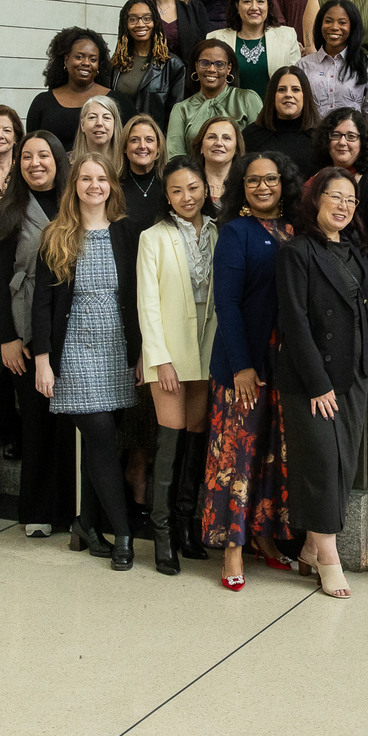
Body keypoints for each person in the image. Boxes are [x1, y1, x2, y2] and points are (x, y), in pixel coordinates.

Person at [33, 155, 144, 570]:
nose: (94, 185)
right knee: (99, 433)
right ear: (74, 185)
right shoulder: (57, 234)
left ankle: (86, 524)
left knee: (101, 442)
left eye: (101, 178)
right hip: (74, 349)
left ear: (112, 185)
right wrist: (43, 360)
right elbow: (42, 304)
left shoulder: (128, 232)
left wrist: (143, 353)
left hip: (117, 347)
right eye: (85, 178)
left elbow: (139, 298)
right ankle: (124, 534)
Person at [276, 167, 368, 599]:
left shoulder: (353, 250)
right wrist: (318, 383)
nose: (343, 206)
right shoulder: (297, 251)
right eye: (335, 196)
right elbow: (294, 322)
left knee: (343, 466)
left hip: (354, 373)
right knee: (321, 463)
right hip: (311, 379)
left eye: (351, 200)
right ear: (315, 199)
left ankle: (308, 548)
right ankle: (329, 557)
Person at [206, 150, 300, 589]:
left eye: (271, 179)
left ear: (284, 183)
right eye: (253, 180)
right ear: (241, 188)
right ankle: (232, 549)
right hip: (243, 364)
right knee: (237, 458)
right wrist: (242, 366)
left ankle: (263, 538)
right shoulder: (235, 232)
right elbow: (226, 304)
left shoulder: (298, 230)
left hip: (286, 365)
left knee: (272, 455)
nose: (263, 187)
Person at [0, 130, 74, 538]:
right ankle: (36, 510)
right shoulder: (10, 210)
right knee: (37, 422)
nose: (35, 163)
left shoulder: (77, 202)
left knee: (69, 424)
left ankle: (69, 510)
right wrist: (6, 338)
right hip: (24, 329)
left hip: (74, 324)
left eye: (43, 156)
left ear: (58, 160)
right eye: (26, 157)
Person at [137, 157, 220, 576]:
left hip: (208, 346)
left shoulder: (220, 232)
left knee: (195, 437)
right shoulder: (152, 237)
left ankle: (187, 524)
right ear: (166, 196)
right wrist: (160, 358)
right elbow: (147, 304)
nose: (187, 197)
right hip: (169, 349)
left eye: (193, 187)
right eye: (176, 190)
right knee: (169, 441)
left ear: (205, 188)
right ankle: (163, 534)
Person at [314, 107, 368, 242]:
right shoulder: (315, 177)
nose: (342, 142)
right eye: (336, 135)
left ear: (363, 143)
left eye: (351, 136)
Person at [166, 37, 261, 160]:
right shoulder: (181, 109)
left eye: (219, 64)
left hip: (240, 171)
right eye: (205, 63)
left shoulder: (248, 100)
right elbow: (174, 157)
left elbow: (261, 147)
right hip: (192, 172)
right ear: (196, 66)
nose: (211, 69)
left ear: (229, 68)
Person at [209, 0, 301, 100]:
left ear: (268, 5)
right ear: (237, 6)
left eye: (260, 1)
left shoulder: (287, 36)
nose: (254, 7)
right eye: (247, 1)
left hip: (273, 110)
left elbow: (296, 82)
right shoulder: (216, 38)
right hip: (228, 110)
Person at [299, 0, 368, 126]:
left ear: (352, 27)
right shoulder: (303, 65)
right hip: (312, 137)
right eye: (328, 21)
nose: (334, 27)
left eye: (342, 22)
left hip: (352, 137)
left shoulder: (367, 65)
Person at [109, 0, 188, 130]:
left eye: (147, 18)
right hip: (119, 137)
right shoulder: (116, 64)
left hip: (153, 138)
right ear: (125, 24)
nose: (140, 24)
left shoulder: (173, 65)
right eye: (133, 19)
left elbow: (175, 117)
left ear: (155, 22)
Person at [27, 27, 111, 149]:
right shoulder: (42, 102)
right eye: (79, 57)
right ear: (66, 60)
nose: (86, 63)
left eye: (93, 59)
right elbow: (30, 144)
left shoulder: (115, 100)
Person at [243, 65, 319, 170]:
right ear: (272, 95)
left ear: (305, 95)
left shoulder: (320, 137)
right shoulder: (250, 136)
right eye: (281, 90)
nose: (288, 94)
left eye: (295, 89)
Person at [117, 115, 169, 232]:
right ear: (125, 147)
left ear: (158, 146)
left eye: (149, 140)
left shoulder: (170, 183)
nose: (142, 146)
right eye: (134, 140)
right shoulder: (114, 187)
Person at [192, 115, 243, 217]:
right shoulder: (188, 183)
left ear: (236, 148)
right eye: (211, 137)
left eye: (226, 138)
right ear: (201, 147)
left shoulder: (245, 186)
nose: (219, 143)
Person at [75, 94, 122, 176]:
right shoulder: (67, 162)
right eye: (92, 117)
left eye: (106, 118)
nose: (99, 123)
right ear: (82, 125)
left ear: (115, 125)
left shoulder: (128, 163)